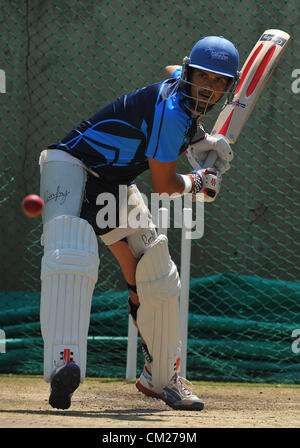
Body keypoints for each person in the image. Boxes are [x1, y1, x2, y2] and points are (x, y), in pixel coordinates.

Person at [38, 35, 239, 411]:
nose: (208, 88)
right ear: (191, 73)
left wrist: (201, 139)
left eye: (219, 81)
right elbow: (164, 185)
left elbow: (171, 72)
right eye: (203, 77)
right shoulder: (173, 114)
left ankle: (161, 378)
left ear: (230, 86)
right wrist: (199, 182)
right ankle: (64, 364)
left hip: (114, 180)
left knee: (154, 272)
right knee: (71, 255)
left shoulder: (183, 85)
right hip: (70, 163)